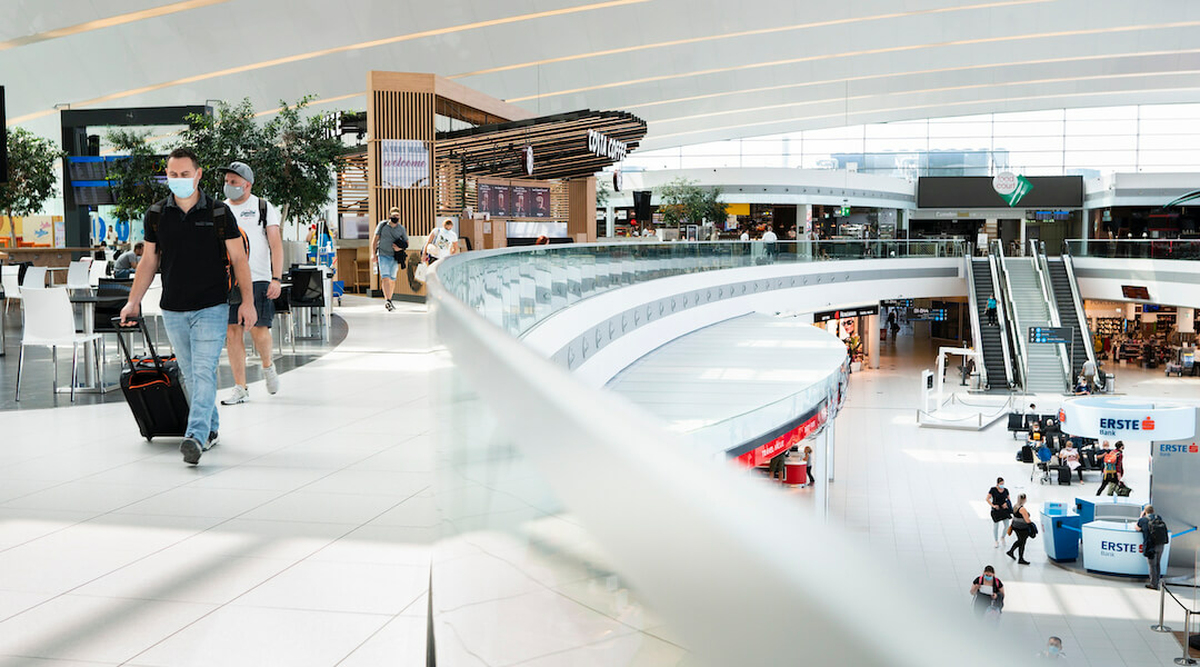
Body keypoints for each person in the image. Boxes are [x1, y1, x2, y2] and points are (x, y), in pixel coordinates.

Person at [119, 147, 255, 466]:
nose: (178, 180)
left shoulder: (219, 212)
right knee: (191, 375)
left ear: (198, 175)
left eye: (184, 174)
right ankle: (210, 428)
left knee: (204, 370)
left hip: (212, 304)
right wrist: (132, 301)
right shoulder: (156, 214)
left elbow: (238, 259)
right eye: (172, 175)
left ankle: (194, 436)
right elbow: (149, 261)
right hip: (173, 307)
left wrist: (247, 302)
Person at [218, 162, 283, 406]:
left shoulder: (262, 207)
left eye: (233, 182)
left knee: (258, 330)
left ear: (247, 184)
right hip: (229, 280)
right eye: (227, 181)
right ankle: (240, 387)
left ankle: (268, 366)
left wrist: (276, 278)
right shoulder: (220, 209)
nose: (228, 186)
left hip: (258, 277)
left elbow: (275, 245)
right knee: (232, 332)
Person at [372, 207, 409, 312]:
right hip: (383, 254)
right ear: (389, 216)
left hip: (394, 256)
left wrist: (400, 248)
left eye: (397, 216)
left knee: (392, 280)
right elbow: (374, 240)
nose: (395, 218)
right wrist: (373, 254)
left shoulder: (401, 229)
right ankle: (387, 300)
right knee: (385, 278)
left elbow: (407, 243)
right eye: (393, 216)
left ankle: (390, 299)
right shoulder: (382, 225)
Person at [1137, 504, 1169, 589]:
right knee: (1158, 564)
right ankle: (1157, 582)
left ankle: (1153, 584)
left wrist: (1141, 516)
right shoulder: (1158, 518)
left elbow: (1137, 527)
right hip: (1160, 544)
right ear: (1153, 511)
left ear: (1145, 511)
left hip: (1151, 546)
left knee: (1152, 565)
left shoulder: (1143, 520)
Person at [1006, 493, 1033, 564]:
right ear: (1024, 499)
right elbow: (1027, 520)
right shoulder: (1022, 509)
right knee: (1022, 542)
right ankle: (1017, 556)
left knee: (1020, 541)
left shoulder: (1015, 506)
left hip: (1015, 526)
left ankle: (1014, 554)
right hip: (1022, 528)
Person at [987, 477, 1013, 548]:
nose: (1002, 485)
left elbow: (1009, 499)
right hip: (996, 510)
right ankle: (996, 541)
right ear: (997, 483)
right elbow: (987, 498)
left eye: (1003, 484)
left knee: (1006, 525)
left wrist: (1006, 504)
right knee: (996, 526)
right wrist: (993, 505)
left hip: (1004, 510)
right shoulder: (993, 490)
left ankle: (1003, 537)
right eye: (1001, 484)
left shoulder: (1006, 490)